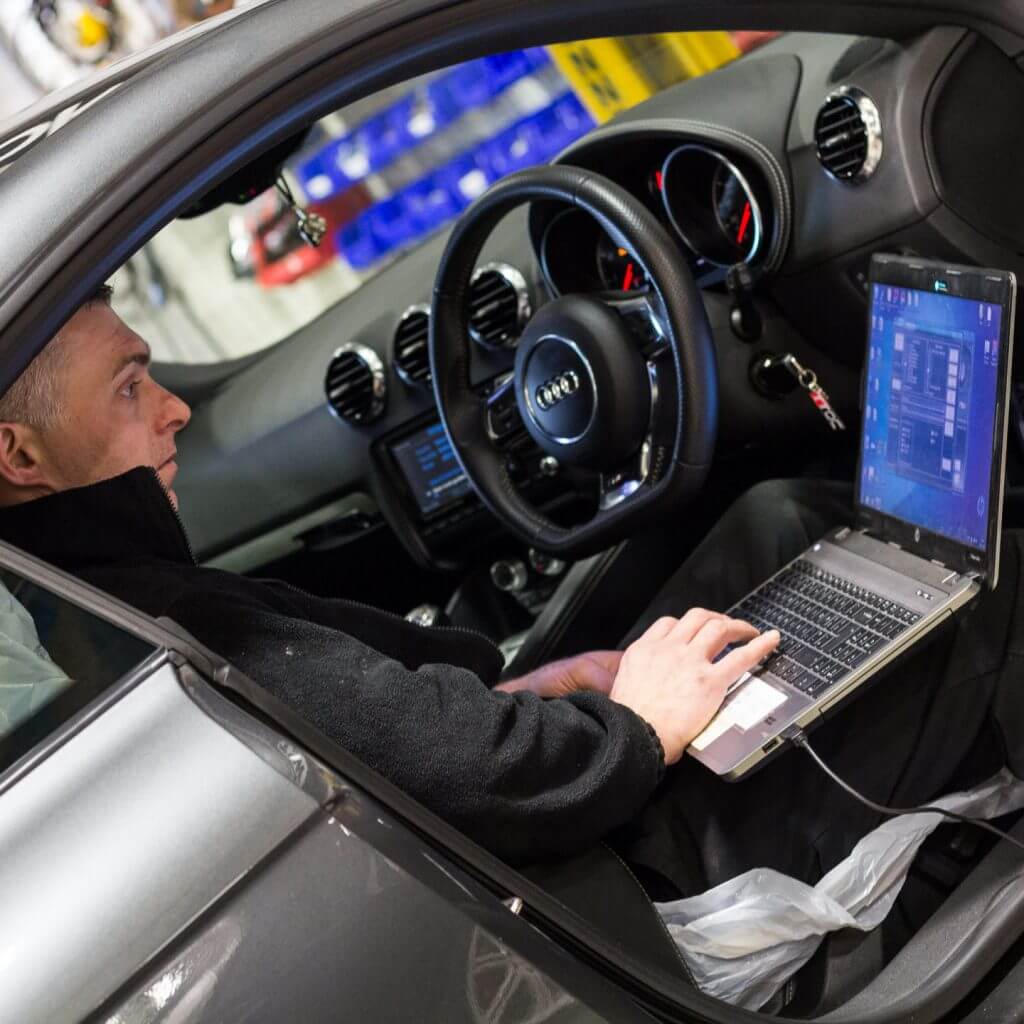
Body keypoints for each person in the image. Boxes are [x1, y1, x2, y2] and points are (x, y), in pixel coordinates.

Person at [0, 284, 1020, 907]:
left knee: (777, 516)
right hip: (609, 884)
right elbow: (454, 770)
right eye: (131, 388)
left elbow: (379, 730)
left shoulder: (87, 598)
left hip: (534, 834)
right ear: (20, 453)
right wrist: (629, 730)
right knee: (979, 591)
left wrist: (535, 692)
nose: (176, 408)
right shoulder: (135, 619)